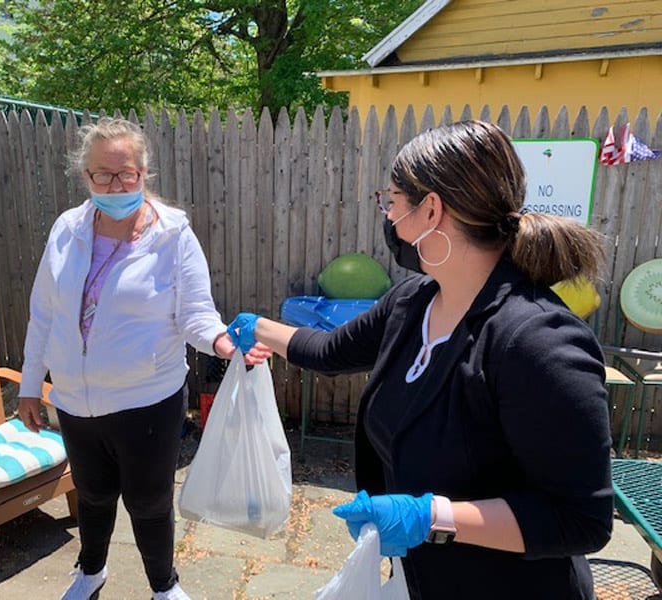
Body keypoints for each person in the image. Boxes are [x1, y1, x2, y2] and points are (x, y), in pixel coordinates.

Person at [228, 120, 613, 599]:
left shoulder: (537, 342)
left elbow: (579, 519)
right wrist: (255, 328)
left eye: (390, 202)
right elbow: (331, 351)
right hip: (424, 580)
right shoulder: (414, 302)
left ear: (430, 209)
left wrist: (430, 517)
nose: (388, 217)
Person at [17, 116, 268, 600]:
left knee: (149, 501)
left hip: (147, 400)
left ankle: (164, 586)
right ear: (85, 176)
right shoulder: (67, 230)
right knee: (91, 494)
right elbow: (43, 312)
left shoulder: (172, 235)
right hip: (74, 401)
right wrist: (31, 383)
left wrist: (222, 342)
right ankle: (91, 572)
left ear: (144, 172)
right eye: (102, 175)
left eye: (126, 173)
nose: (115, 184)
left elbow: (196, 313)